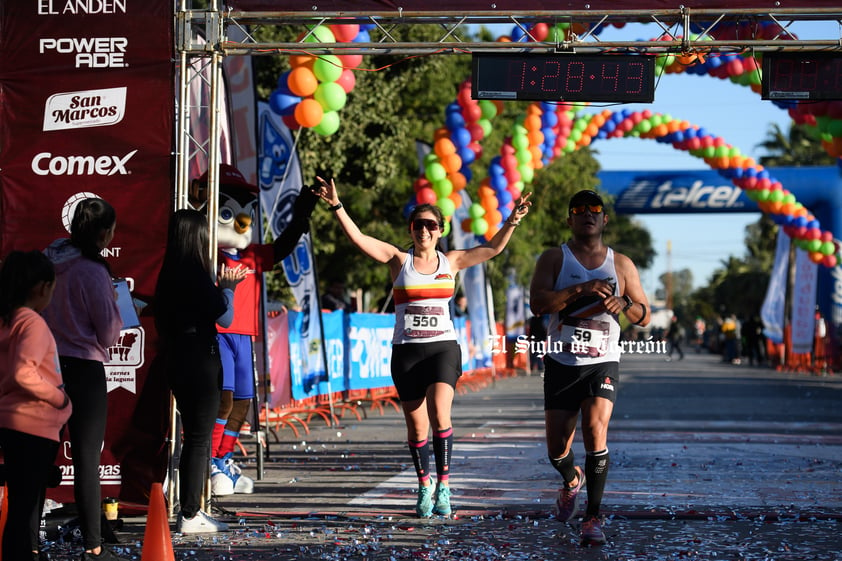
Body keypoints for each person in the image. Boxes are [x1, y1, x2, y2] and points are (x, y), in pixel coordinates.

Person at [313, 176, 531, 518]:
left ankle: (444, 485)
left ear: (440, 231)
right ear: (411, 229)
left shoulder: (452, 261)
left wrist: (512, 221)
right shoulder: (399, 261)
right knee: (416, 428)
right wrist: (337, 206)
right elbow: (357, 238)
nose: (424, 231)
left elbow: (492, 249)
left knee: (440, 415)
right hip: (407, 352)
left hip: (443, 349)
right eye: (418, 225)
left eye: (431, 225)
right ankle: (424, 484)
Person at [529, 189, 650, 546]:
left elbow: (644, 315)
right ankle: (571, 480)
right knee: (557, 449)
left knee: (596, 430)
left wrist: (624, 304)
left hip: (602, 361)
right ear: (569, 220)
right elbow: (538, 304)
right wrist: (582, 289)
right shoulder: (554, 259)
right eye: (579, 210)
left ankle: (593, 517)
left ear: (604, 219)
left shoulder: (622, 264)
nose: (587, 214)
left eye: (594, 209)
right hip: (562, 361)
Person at [195, 164, 317, 496]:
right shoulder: (206, 254)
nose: (242, 220)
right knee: (224, 399)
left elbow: (282, 248)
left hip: (244, 336)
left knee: (244, 402)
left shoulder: (251, 256)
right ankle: (207, 460)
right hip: (216, 334)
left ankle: (224, 459)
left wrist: (300, 217)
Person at [41, 197, 126, 561]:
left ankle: (27, 539)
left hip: (43, 365)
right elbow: (108, 333)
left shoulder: (47, 259)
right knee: (87, 460)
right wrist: (123, 311)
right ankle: (93, 543)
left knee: (38, 457)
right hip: (83, 369)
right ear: (105, 233)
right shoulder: (93, 271)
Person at [153, 209, 247, 533]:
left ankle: (191, 510)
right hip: (199, 361)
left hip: (176, 358)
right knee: (198, 438)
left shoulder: (168, 273)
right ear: (197, 237)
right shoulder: (194, 273)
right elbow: (225, 318)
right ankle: (190, 513)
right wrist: (229, 288)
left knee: (192, 436)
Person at [0, 251, 73, 561]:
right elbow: (23, 372)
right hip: (32, 425)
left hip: (13, 424)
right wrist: (60, 398)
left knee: (19, 507)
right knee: (23, 508)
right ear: (42, 287)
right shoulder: (32, 323)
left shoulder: (8, 320)